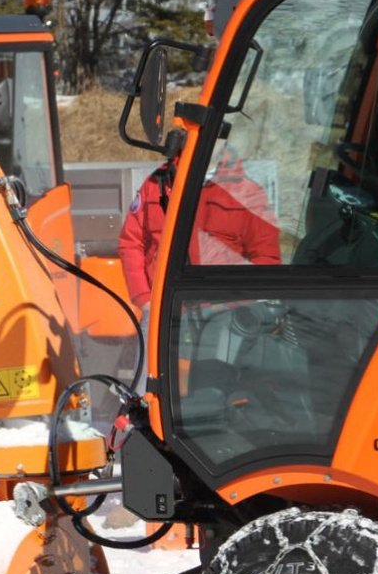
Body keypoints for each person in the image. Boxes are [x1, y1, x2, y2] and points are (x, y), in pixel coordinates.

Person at [117, 147, 281, 393]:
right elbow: (131, 243)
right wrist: (144, 299)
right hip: (163, 308)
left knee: (213, 393)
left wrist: (239, 304)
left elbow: (267, 257)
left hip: (222, 314)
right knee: (148, 392)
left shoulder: (246, 192)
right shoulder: (157, 184)